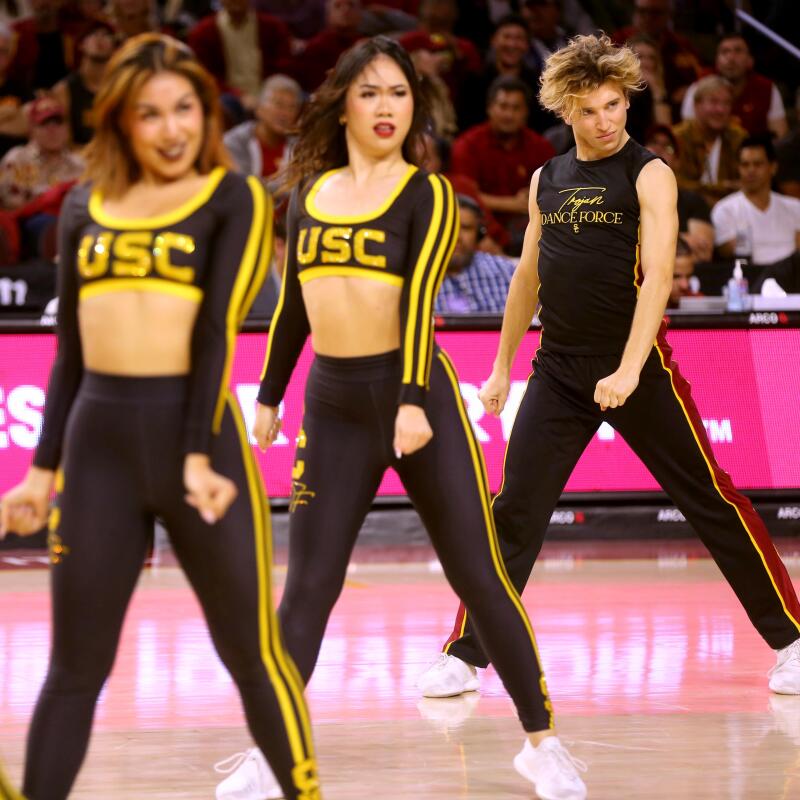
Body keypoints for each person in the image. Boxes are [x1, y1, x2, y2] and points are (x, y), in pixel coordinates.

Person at [216, 35, 587, 800]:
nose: (386, 107)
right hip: (334, 405)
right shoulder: (306, 195)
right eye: (370, 92)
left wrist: (414, 402)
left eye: (399, 94)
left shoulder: (427, 194)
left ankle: (543, 742)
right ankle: (272, 753)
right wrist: (267, 394)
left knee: (481, 577)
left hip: (418, 397)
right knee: (308, 588)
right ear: (343, 105)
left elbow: (420, 303)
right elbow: (293, 307)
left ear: (415, 108)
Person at [419, 33, 800, 704]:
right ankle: (464, 654)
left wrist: (627, 369)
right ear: (567, 109)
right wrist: (504, 366)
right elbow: (527, 277)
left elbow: (656, 279)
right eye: (592, 109)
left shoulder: (649, 172)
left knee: (711, 500)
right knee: (513, 512)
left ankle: (793, 640)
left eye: (616, 104)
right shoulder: (548, 179)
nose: (608, 120)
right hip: (559, 371)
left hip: (638, 370)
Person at [0, 34, 319, 800]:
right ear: (120, 121)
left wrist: (195, 457)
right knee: (75, 669)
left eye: (185, 110)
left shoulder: (230, 198)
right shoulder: (84, 205)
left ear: (206, 115)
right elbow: (69, 353)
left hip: (198, 444)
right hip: (97, 450)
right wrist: (41, 473)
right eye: (151, 114)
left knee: (252, 655)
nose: (171, 129)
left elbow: (215, 336)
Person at [711, 136, 800, 266]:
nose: (751, 170)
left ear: (773, 167)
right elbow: (730, 253)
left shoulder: (795, 207)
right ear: (738, 168)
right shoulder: (725, 210)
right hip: (748, 279)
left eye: (758, 164)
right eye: (745, 164)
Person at [680, 34, 788, 140]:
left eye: (738, 51)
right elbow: (688, 133)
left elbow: (780, 137)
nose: (731, 58)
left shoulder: (766, 88)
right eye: (725, 52)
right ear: (716, 61)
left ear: (750, 61)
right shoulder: (699, 86)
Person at [672, 74, 747, 206]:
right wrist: (724, 186)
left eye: (726, 103)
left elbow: (747, 184)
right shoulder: (678, 137)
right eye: (714, 102)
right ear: (696, 105)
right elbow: (675, 183)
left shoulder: (739, 138)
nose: (721, 110)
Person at [435, 194, 515, 314]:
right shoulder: (411, 277)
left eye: (466, 228)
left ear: (479, 234)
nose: (456, 237)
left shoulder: (506, 272)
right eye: (447, 227)